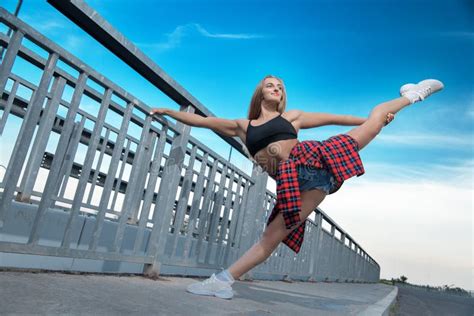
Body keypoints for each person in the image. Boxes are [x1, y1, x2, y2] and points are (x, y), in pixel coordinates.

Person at [149, 75, 444, 299]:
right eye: (270, 85)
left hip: (318, 162)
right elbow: (204, 121)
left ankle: (412, 96)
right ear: (260, 93)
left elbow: (336, 119)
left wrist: (375, 122)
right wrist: (169, 112)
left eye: (279, 85)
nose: (276, 88)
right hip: (294, 182)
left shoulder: (294, 117)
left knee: (377, 117)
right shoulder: (243, 125)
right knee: (271, 236)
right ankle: (223, 282)